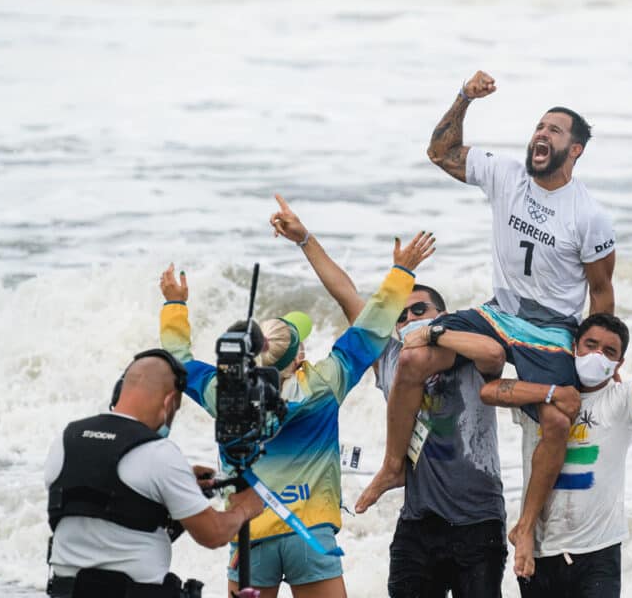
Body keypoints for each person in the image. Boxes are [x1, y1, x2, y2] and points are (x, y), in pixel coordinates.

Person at [358, 69, 618, 578]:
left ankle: (523, 526)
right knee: (412, 358)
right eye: (539, 127)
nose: (541, 135)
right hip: (497, 314)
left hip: (551, 331)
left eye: (555, 131)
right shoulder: (505, 174)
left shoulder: (589, 215)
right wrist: (462, 98)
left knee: (560, 421)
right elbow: (440, 151)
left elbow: (603, 291)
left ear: (576, 150)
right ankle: (393, 465)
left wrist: (599, 355)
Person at [270, 195, 578, 597]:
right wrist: (304, 238)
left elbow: (496, 355)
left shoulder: (468, 354)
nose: (409, 320)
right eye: (401, 315)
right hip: (418, 521)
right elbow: (346, 294)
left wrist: (435, 332)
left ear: (442, 314)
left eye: (420, 310)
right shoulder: (389, 358)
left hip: (479, 520)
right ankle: (391, 468)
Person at [158, 231, 434, 598]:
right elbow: (370, 329)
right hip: (310, 532)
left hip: (250, 534)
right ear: (299, 358)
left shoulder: (223, 393)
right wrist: (402, 271)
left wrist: (175, 306)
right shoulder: (322, 386)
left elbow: (178, 361)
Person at [479, 311, 632, 598]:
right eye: (590, 345)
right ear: (575, 347)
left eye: (609, 351)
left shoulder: (621, 400)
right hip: (540, 549)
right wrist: (550, 391)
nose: (597, 355)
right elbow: (490, 391)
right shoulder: (540, 399)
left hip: (598, 551)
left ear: (619, 363)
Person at [45, 348, 265, 598]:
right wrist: (246, 508)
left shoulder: (65, 440)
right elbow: (213, 534)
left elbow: (105, 503)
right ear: (169, 401)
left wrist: (175, 488)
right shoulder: (158, 454)